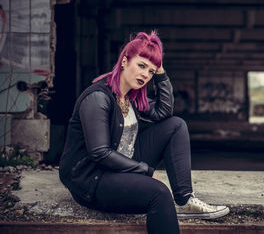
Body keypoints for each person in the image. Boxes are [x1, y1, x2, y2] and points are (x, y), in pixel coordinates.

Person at [59, 31, 229, 234]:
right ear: (124, 62)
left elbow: (164, 111)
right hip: (93, 178)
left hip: (121, 164)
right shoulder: (98, 98)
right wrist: (146, 171)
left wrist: (161, 73)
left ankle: (184, 200)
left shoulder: (130, 97)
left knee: (176, 125)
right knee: (159, 192)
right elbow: (100, 153)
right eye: (141, 66)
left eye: (150, 71)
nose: (145, 75)